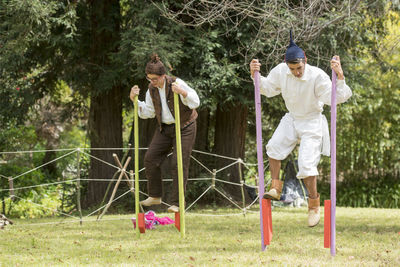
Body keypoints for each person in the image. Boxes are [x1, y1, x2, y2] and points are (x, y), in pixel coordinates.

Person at [249, 31, 352, 227]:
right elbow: (267, 88)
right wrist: (255, 73)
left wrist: (340, 75)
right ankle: (275, 188)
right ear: (287, 65)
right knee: (273, 147)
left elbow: (335, 98)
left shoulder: (317, 76)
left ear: (305, 60)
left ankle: (313, 204)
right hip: (292, 118)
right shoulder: (281, 71)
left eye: (299, 67)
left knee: (306, 165)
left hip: (312, 121)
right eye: (293, 68)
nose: (297, 72)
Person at [129, 54, 200, 213]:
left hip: (185, 126)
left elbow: (196, 101)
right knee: (150, 158)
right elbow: (148, 112)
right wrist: (135, 100)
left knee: (178, 163)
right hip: (166, 128)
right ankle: (155, 196)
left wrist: (182, 92)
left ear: (163, 76)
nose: (152, 82)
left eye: (155, 79)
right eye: (149, 79)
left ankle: (177, 203)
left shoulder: (176, 82)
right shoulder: (151, 89)